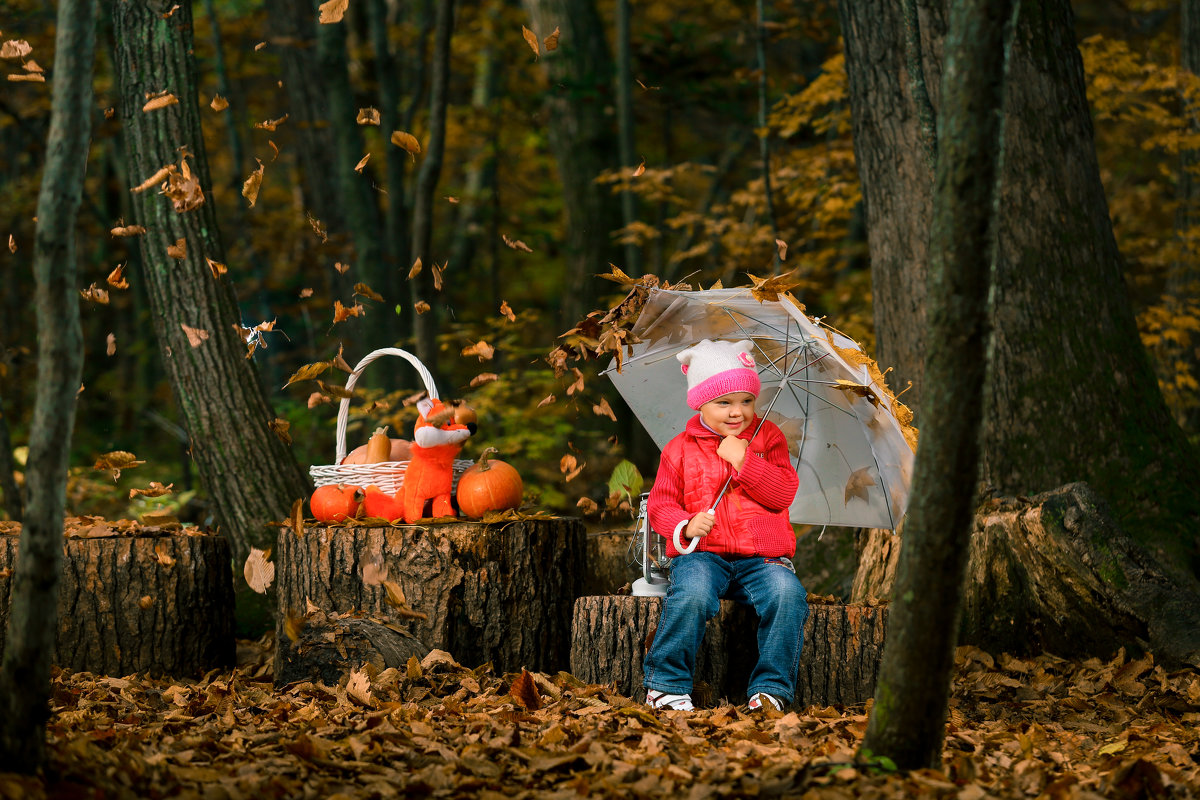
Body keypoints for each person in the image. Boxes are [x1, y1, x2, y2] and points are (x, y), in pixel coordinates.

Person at [642, 338, 808, 712]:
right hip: (704, 554)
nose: (737, 412)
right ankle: (665, 684)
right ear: (700, 402)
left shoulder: (768, 439)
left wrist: (745, 461)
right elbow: (661, 502)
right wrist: (684, 526)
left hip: (760, 556)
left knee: (787, 596)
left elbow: (782, 494)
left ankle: (771, 689)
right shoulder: (679, 448)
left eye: (746, 401)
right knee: (692, 594)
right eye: (724, 402)